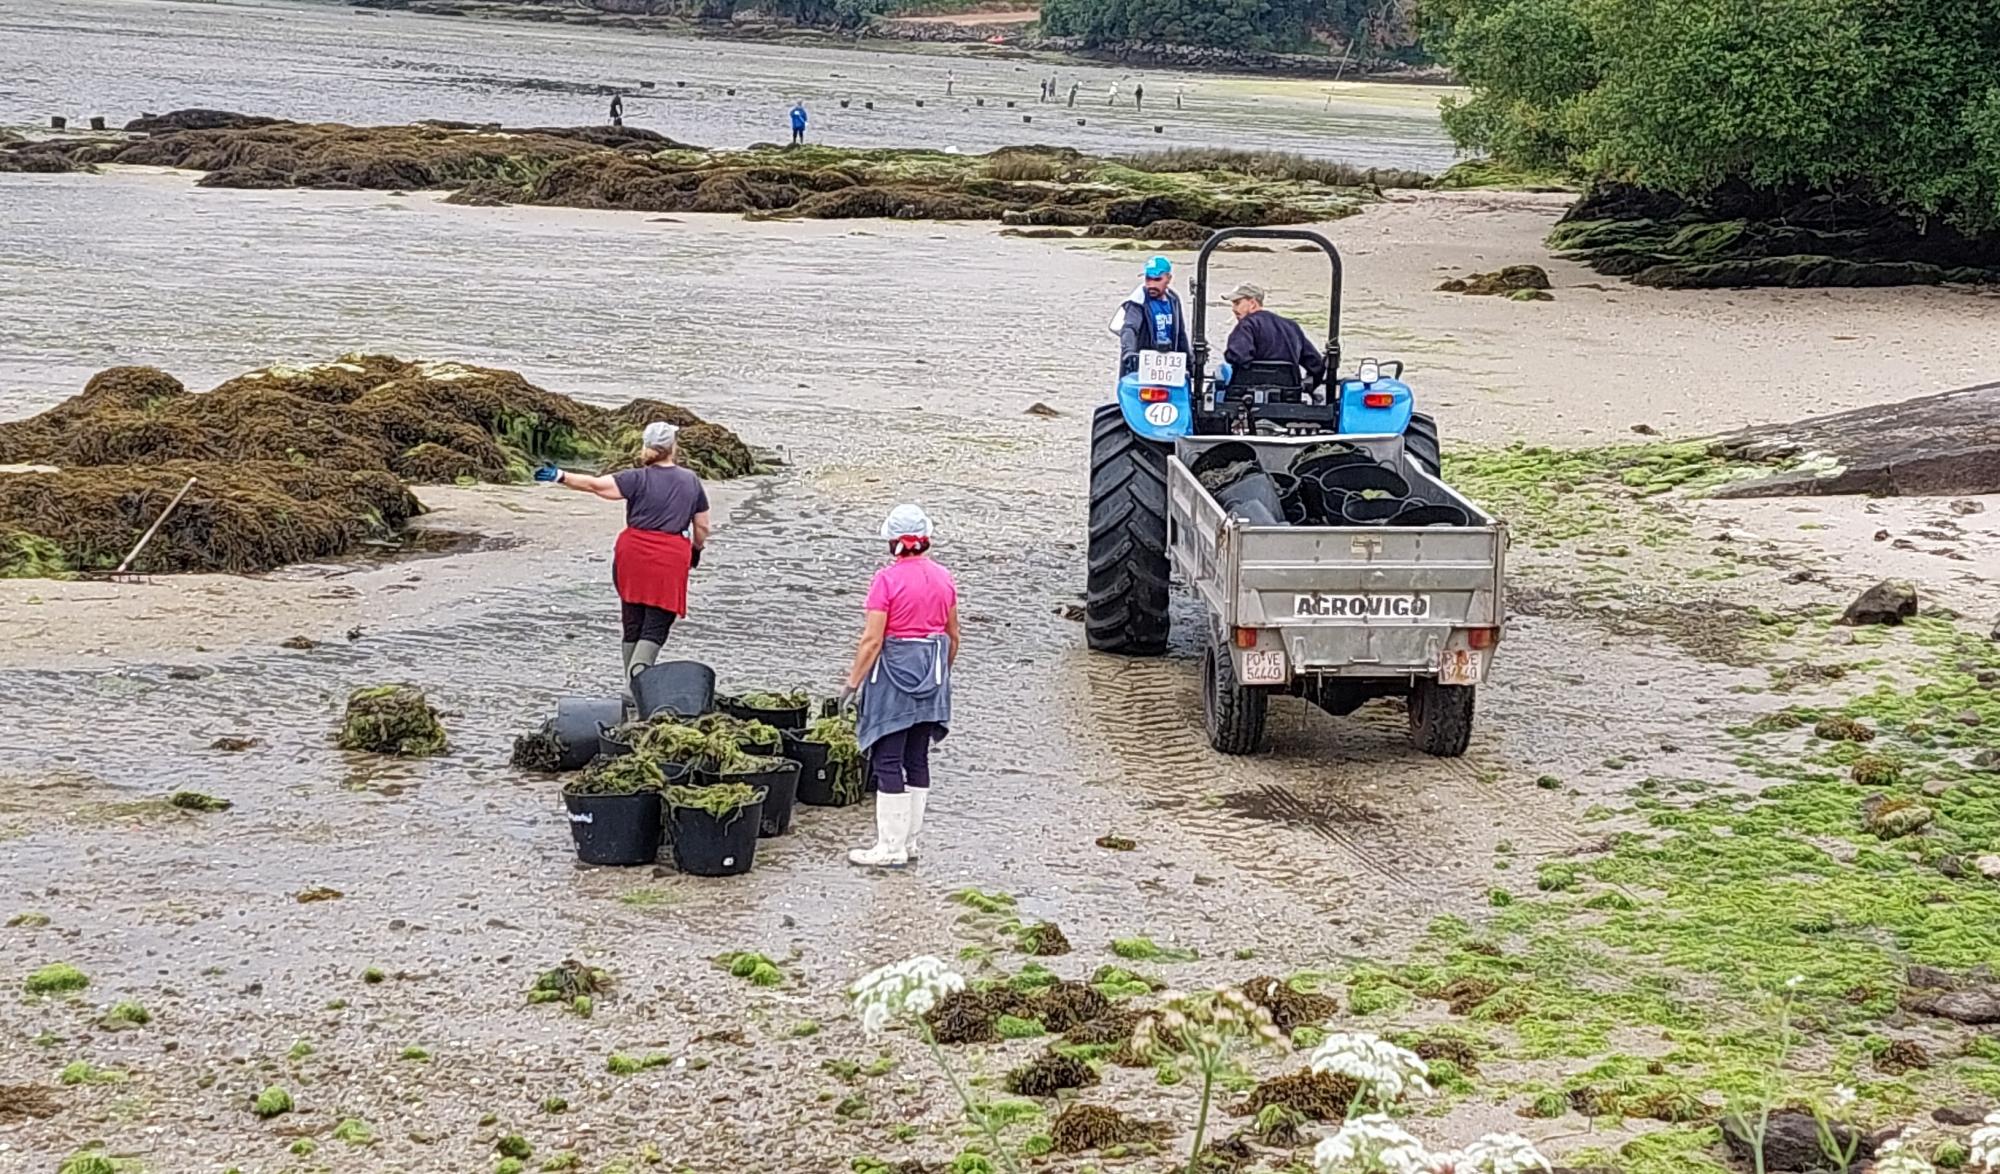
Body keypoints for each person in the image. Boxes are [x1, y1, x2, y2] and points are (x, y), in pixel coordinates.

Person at [535, 422, 710, 698]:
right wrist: (696, 549)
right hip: (668, 558)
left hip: (632, 554)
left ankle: (632, 688)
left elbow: (596, 486)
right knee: (656, 625)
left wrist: (560, 475)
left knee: (632, 620)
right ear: (673, 447)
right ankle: (635, 686)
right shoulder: (690, 481)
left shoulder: (636, 478)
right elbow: (702, 527)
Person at [840, 504, 959, 869]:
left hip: (893, 678)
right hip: (932, 675)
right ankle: (910, 842)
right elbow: (953, 636)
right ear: (927, 539)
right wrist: (939, 675)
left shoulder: (885, 581)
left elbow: (872, 640)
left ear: (892, 541)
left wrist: (851, 684)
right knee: (916, 757)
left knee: (887, 759)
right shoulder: (944, 578)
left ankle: (889, 847)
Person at [1217, 282, 1326, 390]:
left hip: (1246, 393)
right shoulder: (1291, 326)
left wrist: (1228, 354)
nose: (1233, 309)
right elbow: (1317, 365)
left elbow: (1238, 356)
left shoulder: (1246, 326)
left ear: (1252, 303)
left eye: (1237, 303)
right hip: (1289, 394)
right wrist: (1306, 386)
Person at [1110, 254, 1191, 374]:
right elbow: (1129, 328)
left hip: (1169, 367)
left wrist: (1189, 364)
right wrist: (1129, 352)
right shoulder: (1138, 301)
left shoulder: (1173, 299)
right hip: (1141, 368)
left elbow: (1180, 335)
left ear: (1168, 278)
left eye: (1157, 280)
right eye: (1148, 279)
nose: (1151, 284)